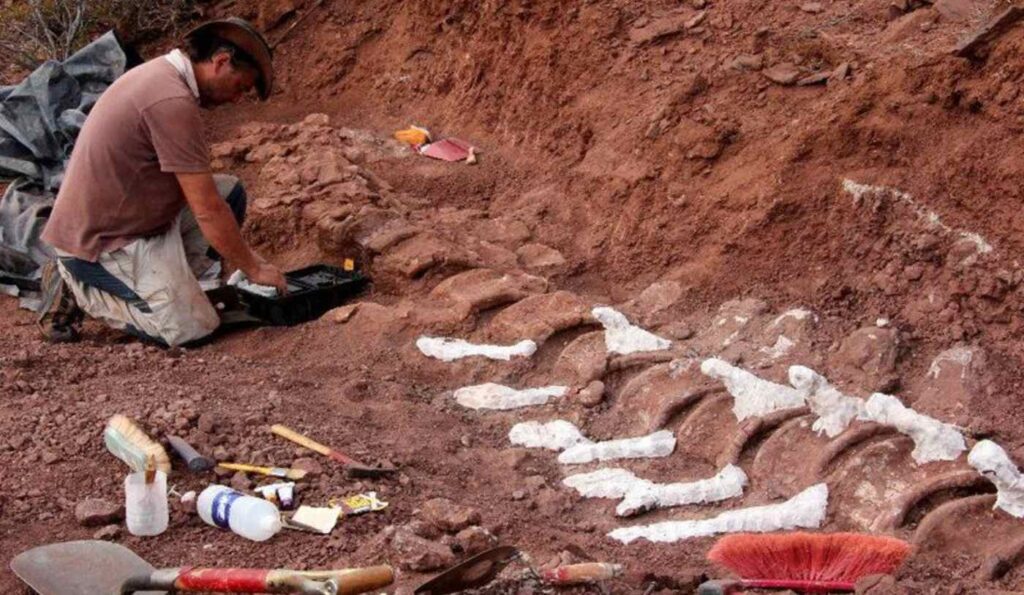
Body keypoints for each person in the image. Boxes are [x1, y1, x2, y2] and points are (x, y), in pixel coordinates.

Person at [39, 18, 287, 347]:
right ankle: (78, 285)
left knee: (230, 193)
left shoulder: (165, 76)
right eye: (241, 86)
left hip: (135, 217)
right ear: (221, 61)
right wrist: (254, 268)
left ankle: (171, 289)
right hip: (101, 242)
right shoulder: (171, 101)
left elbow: (211, 198)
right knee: (191, 329)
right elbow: (207, 209)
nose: (238, 98)